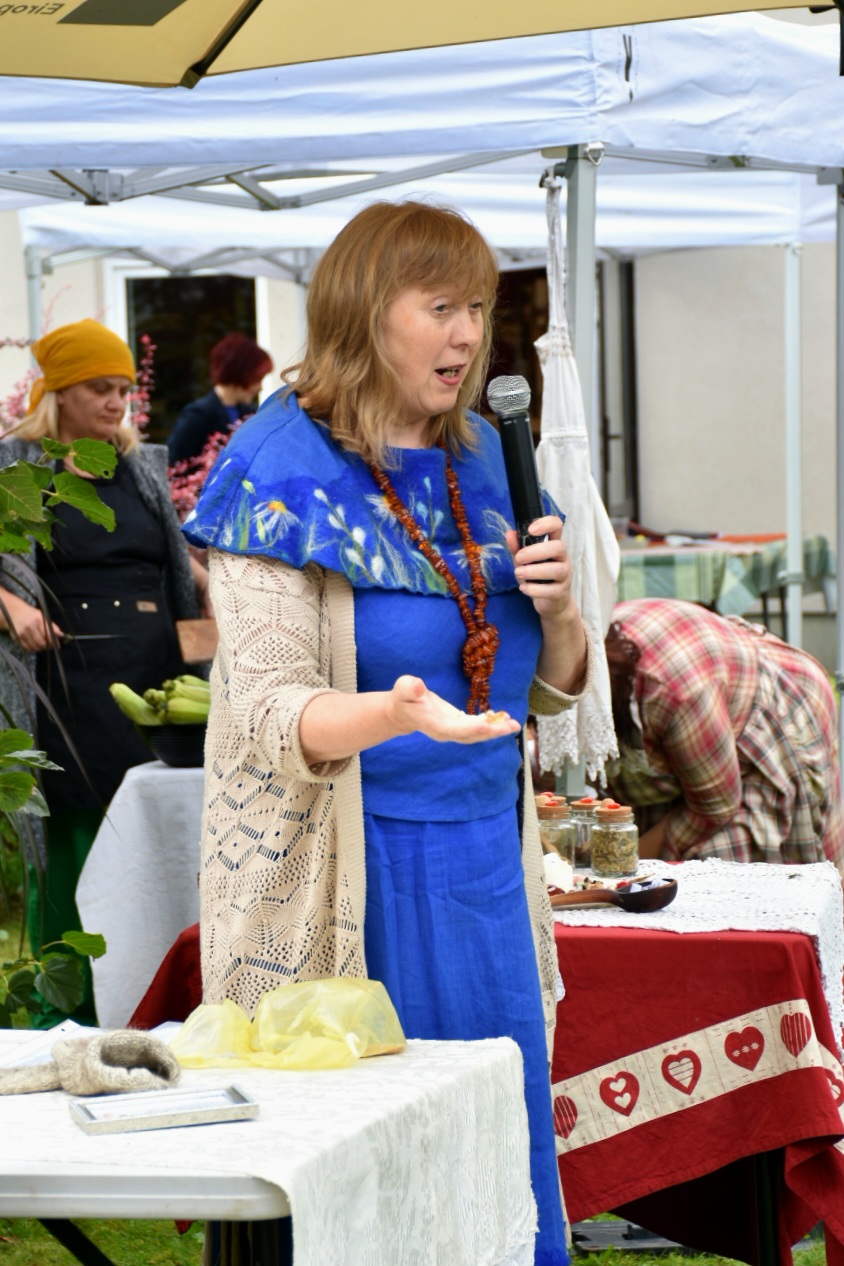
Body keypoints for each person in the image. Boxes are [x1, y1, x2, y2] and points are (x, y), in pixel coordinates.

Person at [183, 200, 592, 1266]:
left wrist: (560, 616)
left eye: (479, 309)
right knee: (370, 1180)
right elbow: (267, 710)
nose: (468, 335)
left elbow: (555, 687)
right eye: (441, 307)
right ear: (367, 314)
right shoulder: (274, 470)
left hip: (486, 873)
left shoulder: (489, 459)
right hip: (350, 875)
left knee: (490, 1167)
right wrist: (397, 714)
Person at [0, 318, 206, 1024]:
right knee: (80, 838)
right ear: (59, 391)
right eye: (100, 389)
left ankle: (156, 999)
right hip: (66, 684)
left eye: (124, 389)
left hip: (154, 677)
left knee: (155, 834)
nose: (117, 402)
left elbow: (170, 558)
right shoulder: (17, 466)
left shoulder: (138, 467)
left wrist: (213, 583)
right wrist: (8, 604)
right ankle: (69, 1013)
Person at [604, 597, 844, 868]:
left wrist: (619, 865)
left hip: (766, 720)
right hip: (694, 717)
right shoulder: (574, 669)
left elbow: (715, 807)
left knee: (723, 867)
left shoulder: (672, 691)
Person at [166, 331, 273, 464]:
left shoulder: (250, 414)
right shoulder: (198, 416)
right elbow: (172, 466)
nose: (260, 387)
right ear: (242, 373)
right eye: (257, 379)